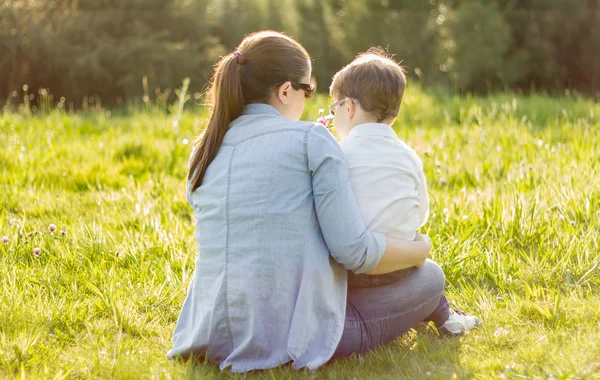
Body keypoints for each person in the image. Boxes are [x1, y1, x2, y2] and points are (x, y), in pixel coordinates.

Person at [168, 31, 443, 372]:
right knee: (431, 278)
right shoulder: (310, 140)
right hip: (290, 336)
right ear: (285, 91)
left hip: (208, 329)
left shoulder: (203, 150)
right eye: (308, 90)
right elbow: (353, 251)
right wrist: (420, 250)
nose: (312, 100)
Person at [328, 48, 481, 335]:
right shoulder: (407, 155)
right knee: (420, 253)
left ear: (348, 107)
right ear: (394, 115)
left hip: (352, 274)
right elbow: (420, 213)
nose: (333, 116)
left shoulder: (337, 153)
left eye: (333, 108)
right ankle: (444, 315)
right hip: (399, 268)